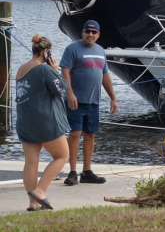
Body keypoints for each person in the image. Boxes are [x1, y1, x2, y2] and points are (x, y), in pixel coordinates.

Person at [60, 19, 118, 186]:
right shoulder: (72, 49)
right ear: (82, 32)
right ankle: (72, 171)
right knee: (74, 134)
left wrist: (113, 98)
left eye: (94, 32)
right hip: (76, 101)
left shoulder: (100, 51)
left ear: (98, 35)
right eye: (88, 31)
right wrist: (69, 93)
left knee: (90, 135)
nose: (90, 34)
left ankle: (86, 171)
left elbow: (105, 75)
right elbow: (65, 71)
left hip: (94, 101)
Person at [16, 34, 69, 212]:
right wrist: (55, 70)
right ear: (46, 53)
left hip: (25, 122)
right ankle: (39, 191)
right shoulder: (44, 70)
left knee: (31, 162)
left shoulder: (21, 69)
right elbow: (61, 90)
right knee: (62, 156)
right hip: (45, 121)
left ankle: (33, 203)